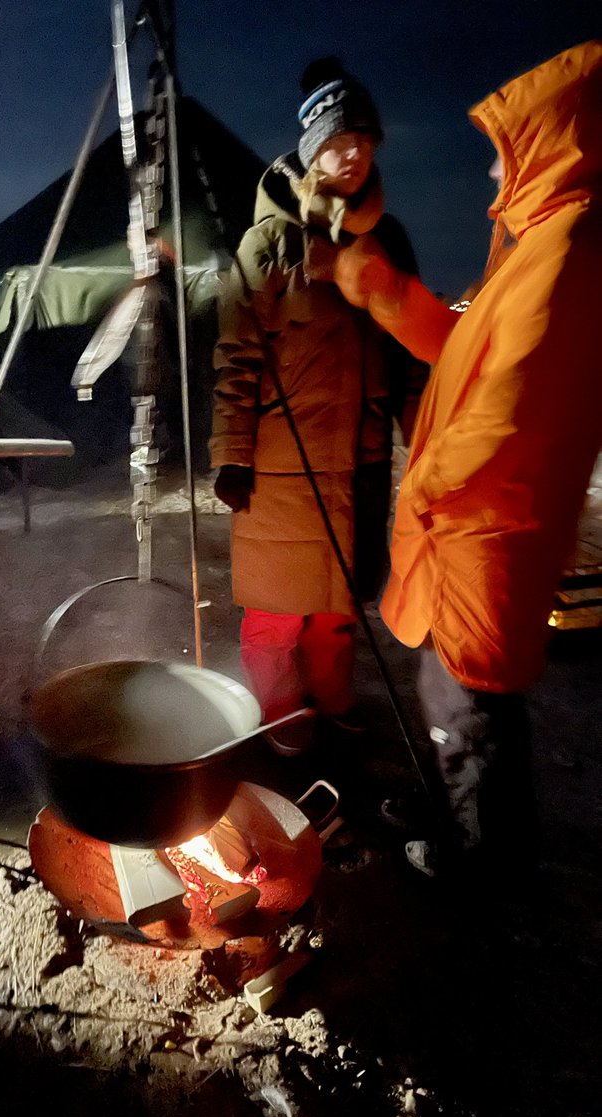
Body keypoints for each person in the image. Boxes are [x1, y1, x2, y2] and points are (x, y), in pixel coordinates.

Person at [334, 41, 602, 874]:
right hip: (476, 518)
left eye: (502, 158)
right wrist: (384, 293)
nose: (491, 178)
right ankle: (462, 809)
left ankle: (482, 858)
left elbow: (507, 412)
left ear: (552, 146)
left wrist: (428, 490)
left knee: (471, 698)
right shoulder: (541, 246)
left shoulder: (570, 255)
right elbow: (467, 349)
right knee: (453, 685)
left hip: (487, 520)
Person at [210, 57, 420, 754]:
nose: (353, 154)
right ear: (310, 152)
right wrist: (232, 455)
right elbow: (236, 360)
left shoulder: (388, 245)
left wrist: (422, 442)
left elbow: (408, 357)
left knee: (335, 609)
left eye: (364, 140)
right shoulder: (267, 245)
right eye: (336, 142)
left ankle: (331, 698)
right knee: (276, 612)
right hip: (279, 470)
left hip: (356, 464)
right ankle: (279, 709)